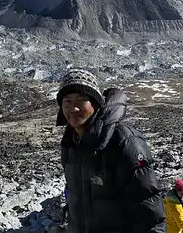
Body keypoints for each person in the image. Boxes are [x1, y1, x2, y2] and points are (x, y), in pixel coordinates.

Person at [57, 68, 166, 233]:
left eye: (81, 100)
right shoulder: (71, 145)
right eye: (67, 101)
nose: (74, 108)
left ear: (95, 103)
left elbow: (149, 214)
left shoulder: (124, 142)